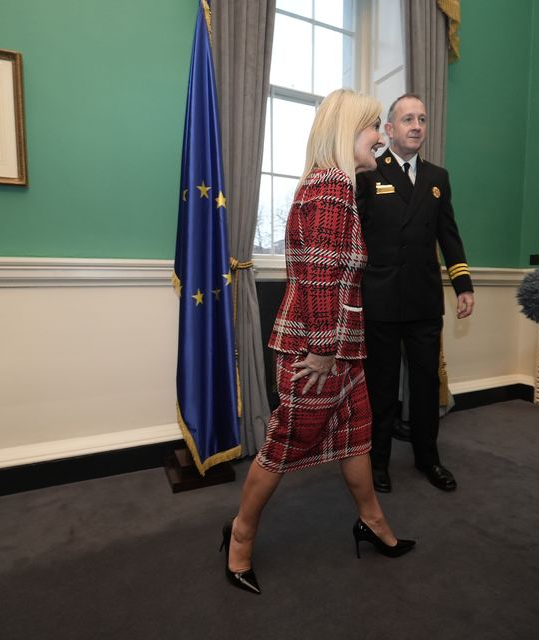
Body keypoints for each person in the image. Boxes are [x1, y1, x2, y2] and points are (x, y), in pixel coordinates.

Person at [222, 89, 415, 596]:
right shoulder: (330, 188)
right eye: (375, 127)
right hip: (318, 351)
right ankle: (239, 536)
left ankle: (372, 521)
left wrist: (335, 349)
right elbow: (322, 278)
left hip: (338, 349)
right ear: (349, 130)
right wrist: (325, 350)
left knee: (357, 435)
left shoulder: (331, 186)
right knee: (285, 445)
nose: (381, 137)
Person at [356, 93, 474, 494]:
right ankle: (378, 462)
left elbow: (449, 236)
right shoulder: (368, 172)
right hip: (382, 299)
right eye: (408, 119)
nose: (417, 126)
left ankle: (429, 458)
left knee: (425, 386)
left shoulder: (438, 177)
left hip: (423, 299)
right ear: (389, 130)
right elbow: (354, 238)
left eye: (422, 119)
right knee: (382, 387)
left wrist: (463, 284)